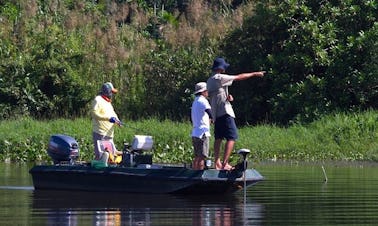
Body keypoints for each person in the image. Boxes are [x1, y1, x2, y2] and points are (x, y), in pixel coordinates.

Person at [207, 57, 265, 170]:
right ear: (220, 68)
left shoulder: (209, 81)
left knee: (218, 138)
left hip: (216, 115)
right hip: (225, 113)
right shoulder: (220, 77)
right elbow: (239, 77)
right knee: (232, 137)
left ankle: (217, 162)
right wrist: (255, 74)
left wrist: (227, 97)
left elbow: (217, 95)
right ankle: (225, 164)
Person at [91, 82, 123, 163]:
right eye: (111, 92)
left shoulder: (108, 102)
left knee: (111, 156)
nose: (112, 94)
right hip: (100, 133)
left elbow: (113, 114)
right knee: (101, 156)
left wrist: (118, 121)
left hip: (109, 134)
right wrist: (108, 119)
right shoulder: (97, 100)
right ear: (107, 91)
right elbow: (94, 114)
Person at [191, 82, 213, 170]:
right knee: (202, 157)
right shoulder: (203, 101)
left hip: (195, 133)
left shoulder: (195, 101)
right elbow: (210, 113)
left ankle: (194, 173)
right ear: (203, 91)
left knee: (197, 156)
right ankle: (199, 175)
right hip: (202, 133)